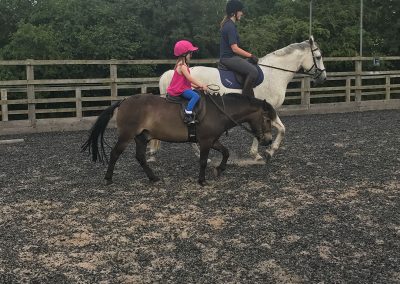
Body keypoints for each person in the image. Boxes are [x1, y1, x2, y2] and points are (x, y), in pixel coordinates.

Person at [220, 0, 259, 97]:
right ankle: (246, 99)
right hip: (229, 58)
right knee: (253, 71)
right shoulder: (230, 26)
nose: (242, 13)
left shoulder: (229, 24)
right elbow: (235, 48)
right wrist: (251, 55)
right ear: (234, 12)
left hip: (230, 57)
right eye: (240, 11)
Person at [167, 40, 208, 124]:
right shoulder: (182, 66)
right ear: (185, 54)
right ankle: (188, 113)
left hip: (183, 87)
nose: (191, 55)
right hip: (180, 90)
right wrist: (201, 85)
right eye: (190, 53)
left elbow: (186, 81)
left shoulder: (182, 65)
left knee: (196, 91)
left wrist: (196, 86)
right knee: (196, 96)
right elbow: (189, 78)